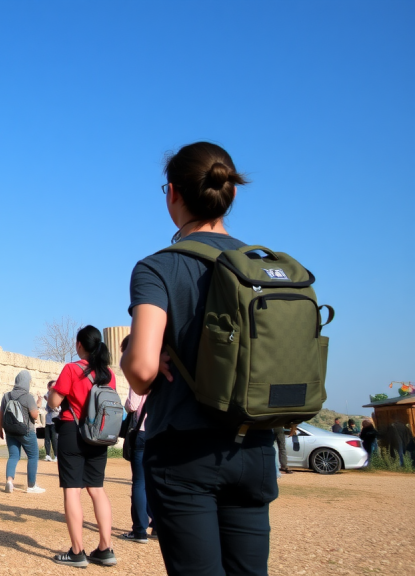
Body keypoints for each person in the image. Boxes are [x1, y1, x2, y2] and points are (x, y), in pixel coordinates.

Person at [122, 142, 277, 575]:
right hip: (255, 444)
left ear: (171, 193)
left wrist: (136, 363)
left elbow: (140, 371)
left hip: (186, 448)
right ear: (231, 193)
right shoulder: (262, 265)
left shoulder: (158, 268)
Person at [48, 325, 117, 567]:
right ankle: (105, 548)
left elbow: (54, 401)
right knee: (97, 489)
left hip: (73, 432)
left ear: (79, 345)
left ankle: (77, 552)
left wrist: (55, 392)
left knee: (72, 490)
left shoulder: (71, 369)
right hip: (99, 436)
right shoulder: (108, 374)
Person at [121, 336, 153, 544]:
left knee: (139, 482)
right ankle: (157, 526)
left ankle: (140, 529)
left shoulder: (138, 370)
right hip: (157, 431)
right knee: (154, 481)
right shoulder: (156, 367)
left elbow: (132, 405)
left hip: (141, 431)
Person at [0, 370, 44, 493]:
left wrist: (0, 429)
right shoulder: (27, 396)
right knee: (33, 456)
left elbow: (1, 413)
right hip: (26, 431)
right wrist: (37, 406)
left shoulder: (6, 396)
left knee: (13, 456)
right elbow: (34, 415)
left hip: (10, 431)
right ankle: (31, 485)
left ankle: (9, 481)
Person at [43, 380, 59, 462]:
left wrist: (55, 407)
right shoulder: (48, 394)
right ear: (49, 387)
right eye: (53, 386)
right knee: (47, 438)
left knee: (54, 438)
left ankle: (56, 455)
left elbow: (58, 408)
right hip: (48, 419)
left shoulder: (58, 395)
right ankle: (48, 455)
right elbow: (46, 397)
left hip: (55, 419)